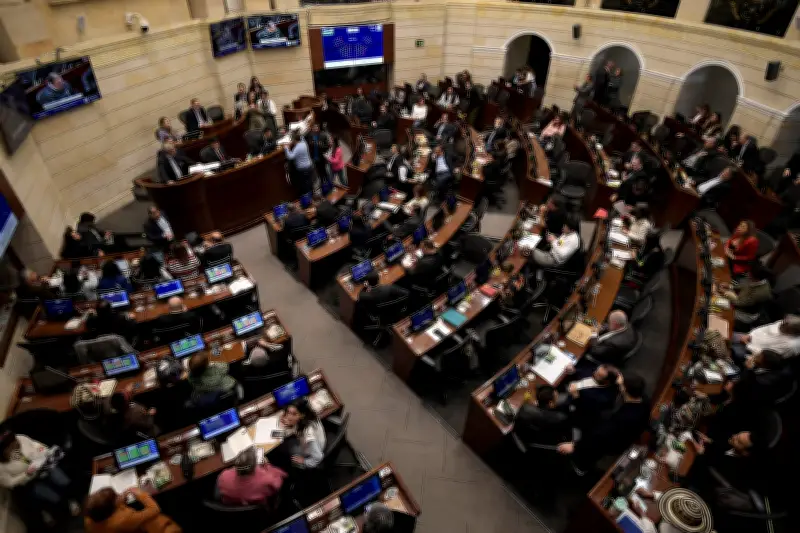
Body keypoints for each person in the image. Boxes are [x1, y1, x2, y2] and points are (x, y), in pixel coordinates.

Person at [558, 372, 648, 475]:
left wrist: (575, 445)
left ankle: (580, 468)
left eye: (621, 383)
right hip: (622, 435)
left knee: (587, 452)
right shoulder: (644, 400)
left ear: (624, 389)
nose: (619, 382)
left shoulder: (622, 419)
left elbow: (598, 437)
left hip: (609, 443)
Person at [0, 430, 81, 524]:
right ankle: (50, 512)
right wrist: (26, 474)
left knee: (63, 480)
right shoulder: (1, 466)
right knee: (52, 496)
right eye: (10, 447)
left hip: (42, 467)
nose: (15, 446)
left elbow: (35, 445)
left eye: (14, 442)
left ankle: (71, 501)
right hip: (29, 482)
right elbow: (9, 483)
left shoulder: (20, 438)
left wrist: (44, 452)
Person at [84, 487, 181, 533]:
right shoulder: (124, 519)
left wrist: (120, 502)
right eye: (116, 496)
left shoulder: (89, 519)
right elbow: (155, 509)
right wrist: (140, 494)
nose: (119, 494)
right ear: (113, 508)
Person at [216, 447, 286, 507]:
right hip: (258, 508)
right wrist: (267, 465)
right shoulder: (267, 479)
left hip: (233, 507)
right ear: (255, 465)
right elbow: (281, 479)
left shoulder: (223, 475)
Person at [276, 398, 326, 470]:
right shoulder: (309, 414)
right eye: (288, 412)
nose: (288, 416)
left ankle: (293, 467)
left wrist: (304, 461)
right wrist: (291, 423)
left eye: (294, 414)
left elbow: (318, 456)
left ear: (302, 415)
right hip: (316, 442)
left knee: (284, 446)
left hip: (312, 452)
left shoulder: (309, 432)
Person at [733, 314, 800, 360]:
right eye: (783, 323)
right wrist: (750, 335)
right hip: (749, 337)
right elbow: (763, 328)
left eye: (785, 327)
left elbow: (766, 356)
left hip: (752, 353)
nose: (780, 325)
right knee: (726, 336)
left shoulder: (790, 345)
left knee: (728, 350)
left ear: (792, 331)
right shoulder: (784, 323)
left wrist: (748, 344)